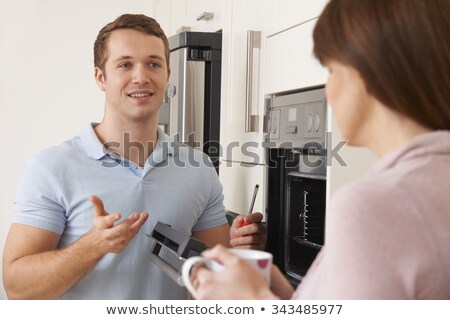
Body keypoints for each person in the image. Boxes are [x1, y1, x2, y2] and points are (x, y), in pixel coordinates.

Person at [191, 0, 450, 299]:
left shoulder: (376, 204)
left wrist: (253, 301)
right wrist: (287, 298)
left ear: (370, 71)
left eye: (331, 70)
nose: (328, 89)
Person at [2, 14, 265, 300]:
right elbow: (17, 287)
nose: (141, 77)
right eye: (125, 65)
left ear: (167, 75)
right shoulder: (51, 168)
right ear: (100, 78)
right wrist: (93, 246)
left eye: (153, 64)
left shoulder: (198, 168)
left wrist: (243, 247)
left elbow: (219, 277)